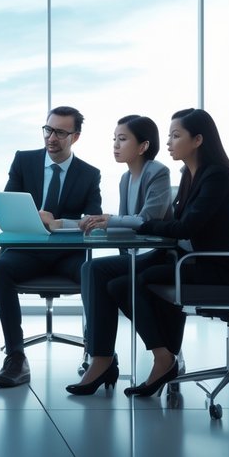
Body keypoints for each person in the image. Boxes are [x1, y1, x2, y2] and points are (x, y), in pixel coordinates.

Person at [105, 108, 229, 398]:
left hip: (220, 267)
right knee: (122, 283)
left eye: (175, 135)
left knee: (131, 282)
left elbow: (186, 226)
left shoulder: (215, 176)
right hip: (192, 260)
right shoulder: (190, 175)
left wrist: (146, 222)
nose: (168, 142)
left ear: (197, 140)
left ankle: (164, 360)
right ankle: (165, 357)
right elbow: (179, 224)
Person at [0, 105, 102, 388]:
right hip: (28, 252)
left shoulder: (89, 174)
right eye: (48, 130)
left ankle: (98, 355)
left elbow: (93, 220)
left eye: (60, 132)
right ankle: (15, 357)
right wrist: (33, 218)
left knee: (94, 273)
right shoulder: (24, 161)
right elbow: (8, 207)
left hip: (67, 255)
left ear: (75, 137)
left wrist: (58, 223)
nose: (51, 137)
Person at [67, 114, 172, 395]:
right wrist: (100, 224)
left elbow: (148, 219)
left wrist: (109, 220)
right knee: (96, 273)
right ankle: (102, 357)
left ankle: (101, 358)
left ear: (143, 146)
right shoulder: (126, 178)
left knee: (93, 270)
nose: (115, 145)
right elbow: (129, 223)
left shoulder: (157, 172)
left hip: (160, 253)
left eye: (122, 139)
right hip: (138, 253)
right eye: (114, 139)